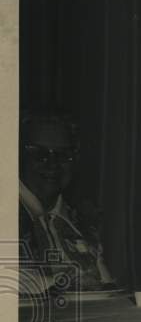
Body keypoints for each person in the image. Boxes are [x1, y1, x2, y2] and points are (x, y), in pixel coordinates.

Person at [18, 110, 114, 293]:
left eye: (63, 155)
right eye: (40, 154)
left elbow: (106, 288)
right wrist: (58, 283)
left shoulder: (81, 221)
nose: (52, 164)